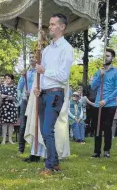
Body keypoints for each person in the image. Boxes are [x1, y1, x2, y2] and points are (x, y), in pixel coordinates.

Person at [32, 13, 74, 175]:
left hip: (56, 93)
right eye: (49, 24)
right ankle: (54, 161)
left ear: (62, 27)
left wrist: (44, 70)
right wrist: (38, 87)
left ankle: (49, 166)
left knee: (48, 129)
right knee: (44, 130)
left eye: (53, 24)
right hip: (44, 93)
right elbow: (42, 74)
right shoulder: (47, 50)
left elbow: (63, 75)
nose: (49, 27)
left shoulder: (67, 49)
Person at [90, 49, 117, 158]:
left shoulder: (116, 73)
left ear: (112, 58)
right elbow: (93, 86)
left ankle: (106, 150)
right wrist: (100, 75)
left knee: (107, 127)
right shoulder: (99, 71)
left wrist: (106, 100)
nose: (105, 58)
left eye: (108, 56)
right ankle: (96, 151)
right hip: (98, 104)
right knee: (97, 127)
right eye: (104, 56)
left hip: (109, 104)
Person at [17, 52, 36, 153]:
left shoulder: (39, 72)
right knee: (23, 124)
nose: (32, 59)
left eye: (33, 57)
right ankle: (21, 148)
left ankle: (35, 148)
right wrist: (22, 77)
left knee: (35, 124)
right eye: (30, 57)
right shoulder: (26, 73)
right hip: (25, 100)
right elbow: (19, 87)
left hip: (36, 101)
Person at [0, 73, 18, 144]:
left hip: (12, 107)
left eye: (9, 78)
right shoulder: (2, 87)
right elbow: (0, 96)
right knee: (4, 123)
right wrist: (7, 96)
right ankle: (3, 139)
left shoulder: (15, 87)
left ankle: (10, 139)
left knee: (11, 124)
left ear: (12, 80)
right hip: (4, 107)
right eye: (6, 78)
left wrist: (7, 96)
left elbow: (15, 97)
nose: (7, 80)